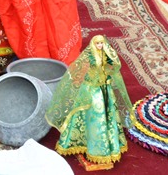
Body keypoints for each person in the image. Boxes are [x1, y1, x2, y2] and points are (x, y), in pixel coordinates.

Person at [46, 35, 132, 170]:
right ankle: (91, 144)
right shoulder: (90, 57)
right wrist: (93, 80)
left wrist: (110, 63)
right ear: (93, 44)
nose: (99, 46)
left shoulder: (107, 55)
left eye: (101, 43)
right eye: (97, 43)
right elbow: (82, 71)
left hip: (105, 89)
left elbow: (115, 67)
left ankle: (108, 147)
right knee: (94, 115)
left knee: (108, 114)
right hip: (93, 90)